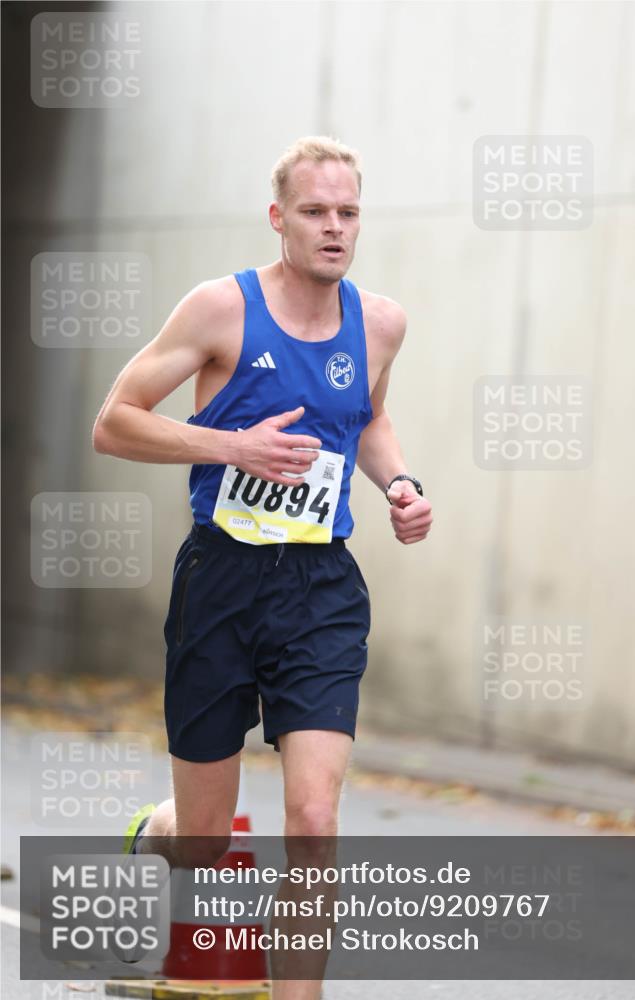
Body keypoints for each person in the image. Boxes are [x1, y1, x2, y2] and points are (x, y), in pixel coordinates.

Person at [93, 135, 433, 998]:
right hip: (221, 579)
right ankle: (158, 829)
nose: (333, 228)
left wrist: (399, 485)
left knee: (313, 819)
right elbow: (115, 422)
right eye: (314, 212)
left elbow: (366, 419)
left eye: (347, 212)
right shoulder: (219, 310)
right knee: (205, 844)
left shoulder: (381, 322)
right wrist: (228, 445)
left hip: (320, 588)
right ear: (278, 218)